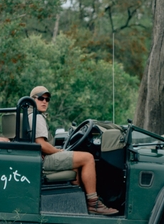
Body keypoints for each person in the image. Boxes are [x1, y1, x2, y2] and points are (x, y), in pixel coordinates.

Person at [30, 85, 118, 216]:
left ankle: (79, 202)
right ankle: (93, 203)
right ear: (32, 100)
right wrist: (57, 151)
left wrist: (57, 150)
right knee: (87, 158)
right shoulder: (36, 117)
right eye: (41, 98)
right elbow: (42, 144)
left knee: (76, 163)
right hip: (43, 160)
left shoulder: (32, 115)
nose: (44, 102)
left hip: (40, 157)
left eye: (47, 99)